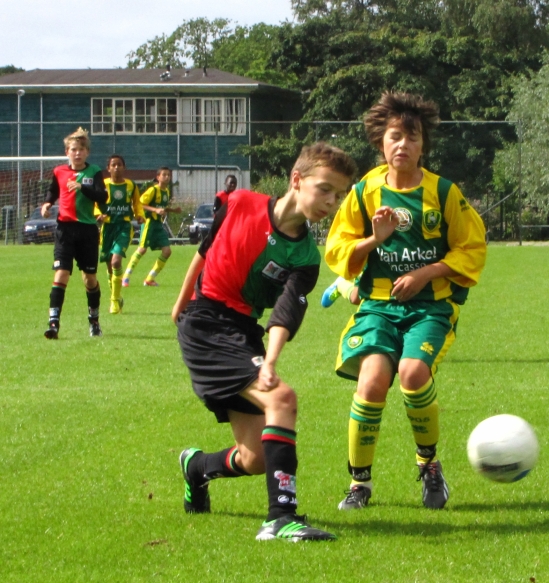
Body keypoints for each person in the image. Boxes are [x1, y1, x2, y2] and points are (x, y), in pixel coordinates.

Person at [171, 142, 357, 541]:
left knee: (254, 457)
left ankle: (197, 467)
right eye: (325, 189)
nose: (331, 201)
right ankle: (281, 517)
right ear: (296, 180)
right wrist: (182, 302)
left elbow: (285, 314)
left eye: (338, 195)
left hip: (243, 332)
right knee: (282, 399)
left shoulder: (306, 257)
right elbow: (205, 251)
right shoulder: (239, 202)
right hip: (206, 323)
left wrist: (269, 359)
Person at [325, 92, 487, 511]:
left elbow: (472, 248)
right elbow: (338, 250)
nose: (403, 145)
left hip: (431, 306)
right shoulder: (364, 193)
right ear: (381, 142)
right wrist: (373, 240)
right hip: (378, 307)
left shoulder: (445, 193)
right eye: (395, 136)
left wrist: (425, 273)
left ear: (423, 146)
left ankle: (429, 467)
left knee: (413, 374)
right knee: (373, 380)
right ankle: (359, 485)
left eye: (412, 137)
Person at [41, 127, 109, 339]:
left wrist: (82, 187)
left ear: (87, 152)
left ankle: (94, 321)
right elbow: (53, 190)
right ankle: (54, 324)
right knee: (61, 273)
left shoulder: (94, 171)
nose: (77, 153)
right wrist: (47, 203)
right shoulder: (59, 171)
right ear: (67, 152)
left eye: (81, 149)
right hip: (65, 229)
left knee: (89, 280)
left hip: (87, 230)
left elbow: (102, 197)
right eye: (73, 149)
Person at [95, 155, 144, 314]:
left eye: (119, 165)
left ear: (124, 167)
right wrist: (97, 214)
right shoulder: (102, 185)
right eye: (113, 165)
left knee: (116, 261)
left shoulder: (130, 185)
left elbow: (137, 202)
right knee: (110, 266)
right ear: (108, 168)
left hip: (123, 226)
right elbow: (95, 203)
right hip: (108, 227)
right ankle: (117, 296)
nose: (116, 168)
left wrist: (139, 214)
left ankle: (114, 301)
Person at [122, 167, 181, 287]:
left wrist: (173, 210)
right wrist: (155, 210)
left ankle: (150, 279)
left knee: (167, 251)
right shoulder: (152, 190)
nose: (166, 177)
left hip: (158, 224)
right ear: (158, 177)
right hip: (149, 222)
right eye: (164, 175)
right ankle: (126, 277)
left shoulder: (166, 192)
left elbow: (161, 209)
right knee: (142, 249)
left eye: (168, 175)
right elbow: (140, 204)